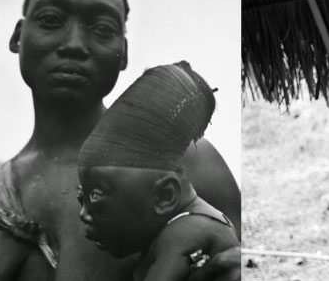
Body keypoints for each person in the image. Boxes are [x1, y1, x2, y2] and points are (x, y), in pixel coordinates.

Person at [0, 0, 240, 281]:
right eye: (51, 20)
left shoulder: (181, 160)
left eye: (102, 28)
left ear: (123, 52)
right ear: (17, 36)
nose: (73, 44)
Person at [77, 61, 239, 281]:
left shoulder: (185, 233)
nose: (83, 214)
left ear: (165, 196)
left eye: (95, 197)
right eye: (82, 197)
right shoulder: (169, 233)